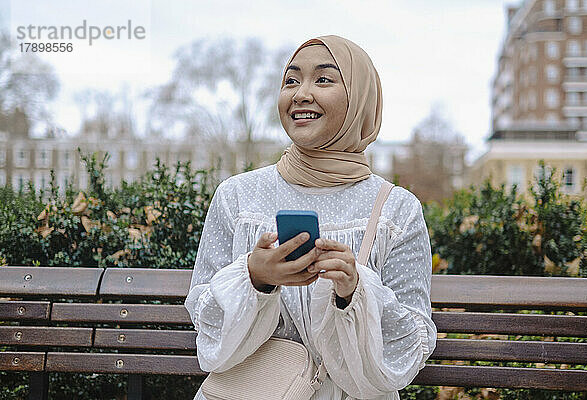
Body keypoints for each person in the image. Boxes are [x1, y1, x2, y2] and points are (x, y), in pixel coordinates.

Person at [184, 35, 437, 400]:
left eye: (323, 79)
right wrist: (255, 279)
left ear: (359, 99)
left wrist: (355, 292)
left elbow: (408, 350)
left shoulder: (397, 210)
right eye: (291, 80)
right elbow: (207, 330)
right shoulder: (237, 196)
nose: (301, 93)